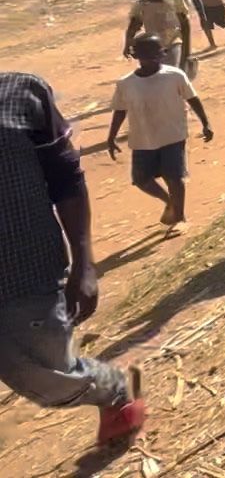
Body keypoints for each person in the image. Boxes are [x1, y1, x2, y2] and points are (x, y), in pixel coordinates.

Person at [0, 72, 148, 445]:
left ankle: (111, 390)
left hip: (25, 272)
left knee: (45, 372)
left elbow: (65, 179)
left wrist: (84, 262)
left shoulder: (20, 94)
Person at [106, 36, 213, 229]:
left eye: (155, 55)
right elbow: (120, 110)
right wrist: (111, 137)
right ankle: (169, 201)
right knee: (141, 179)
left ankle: (179, 216)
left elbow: (192, 98)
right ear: (136, 56)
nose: (151, 60)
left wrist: (205, 123)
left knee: (175, 176)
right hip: (143, 139)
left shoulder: (175, 75)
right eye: (146, 56)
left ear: (162, 54)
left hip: (173, 134)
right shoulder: (126, 83)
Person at [125, 0, 193, 71]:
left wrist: (186, 50)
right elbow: (133, 26)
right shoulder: (141, 5)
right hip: (153, 46)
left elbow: (185, 25)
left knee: (171, 72)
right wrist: (127, 44)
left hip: (174, 42)